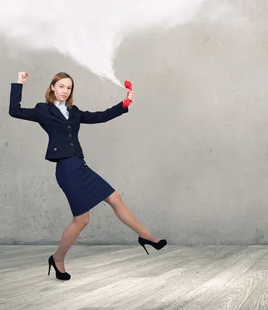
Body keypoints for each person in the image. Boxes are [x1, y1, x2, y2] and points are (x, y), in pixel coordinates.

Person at [9, 71, 167, 281]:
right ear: (53, 87)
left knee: (115, 198)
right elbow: (15, 110)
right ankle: (57, 259)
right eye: (62, 86)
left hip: (80, 165)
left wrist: (124, 104)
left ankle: (147, 237)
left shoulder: (74, 112)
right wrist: (20, 82)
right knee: (82, 220)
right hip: (66, 168)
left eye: (69, 88)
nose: (65, 91)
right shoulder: (43, 110)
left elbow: (100, 116)